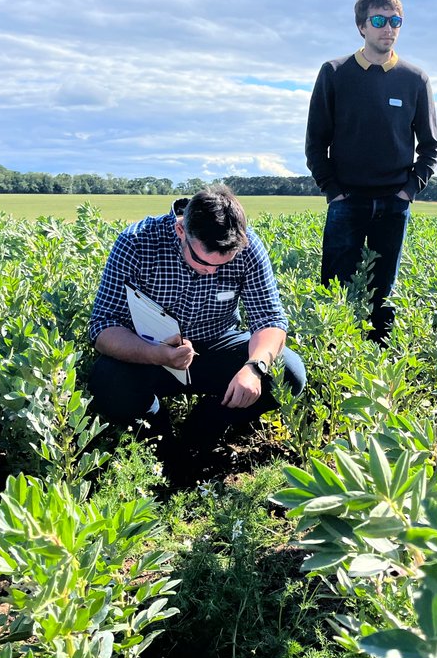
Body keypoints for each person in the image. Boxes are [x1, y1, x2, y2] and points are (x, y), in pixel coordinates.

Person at [87, 185, 306, 485]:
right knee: (106, 378)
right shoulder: (136, 242)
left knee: (289, 373)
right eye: (203, 262)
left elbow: (270, 320)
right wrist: (157, 354)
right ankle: (161, 443)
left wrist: (254, 367)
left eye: (223, 264)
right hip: (152, 354)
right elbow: (102, 325)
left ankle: (205, 427)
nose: (212, 272)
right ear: (181, 231)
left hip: (217, 344)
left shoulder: (248, 247)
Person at [305, 0, 437, 344]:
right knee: (334, 291)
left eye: (396, 21)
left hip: (393, 205)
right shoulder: (334, 73)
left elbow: (429, 147)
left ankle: (378, 373)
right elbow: (315, 142)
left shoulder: (415, 79)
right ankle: (331, 364)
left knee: (384, 295)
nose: (389, 29)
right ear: (361, 26)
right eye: (379, 20)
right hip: (346, 201)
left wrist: (407, 192)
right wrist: (333, 192)